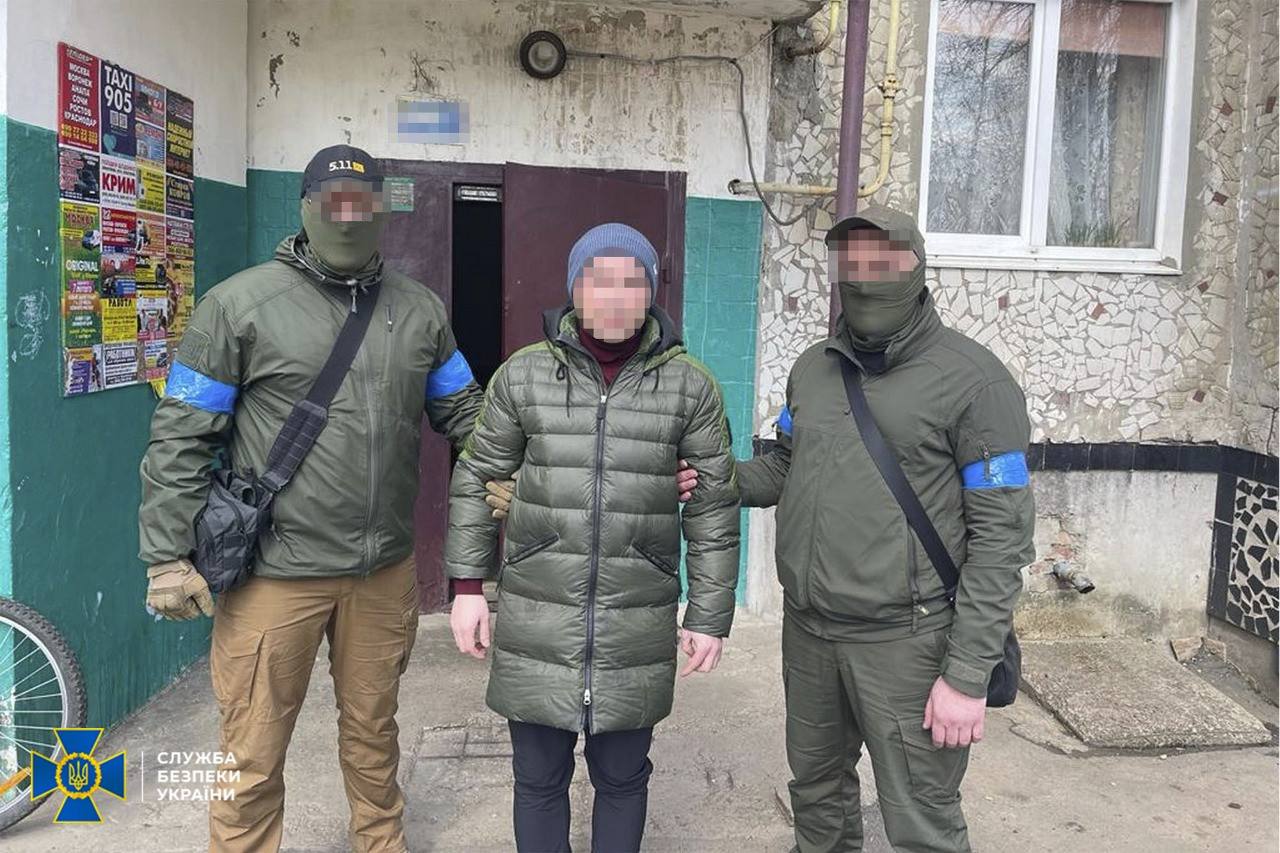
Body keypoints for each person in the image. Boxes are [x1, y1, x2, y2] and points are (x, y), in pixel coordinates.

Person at [138, 144, 484, 853]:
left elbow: (467, 414)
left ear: (382, 211)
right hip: (276, 573)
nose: (348, 218)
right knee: (252, 749)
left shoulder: (420, 310)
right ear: (306, 208)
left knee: (374, 734)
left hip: (382, 571)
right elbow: (181, 436)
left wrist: (518, 467)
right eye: (333, 204)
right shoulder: (237, 306)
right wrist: (167, 556)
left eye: (362, 204)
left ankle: (381, 842)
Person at [735, 206, 1036, 852]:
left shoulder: (976, 382)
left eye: (883, 261)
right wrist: (713, 480)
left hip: (909, 643)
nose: (865, 278)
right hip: (810, 634)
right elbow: (786, 465)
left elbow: (1001, 542)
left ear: (916, 267)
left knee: (922, 821)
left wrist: (965, 675)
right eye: (852, 263)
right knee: (817, 800)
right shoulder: (813, 368)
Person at [446, 222, 741, 853]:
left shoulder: (690, 386)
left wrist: (709, 614)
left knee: (624, 779)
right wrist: (467, 587)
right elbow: (476, 476)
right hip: (538, 611)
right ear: (573, 289)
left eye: (630, 281)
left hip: (635, 615)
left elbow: (713, 508)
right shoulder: (524, 375)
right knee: (537, 778)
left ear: (650, 292)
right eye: (596, 279)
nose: (612, 295)